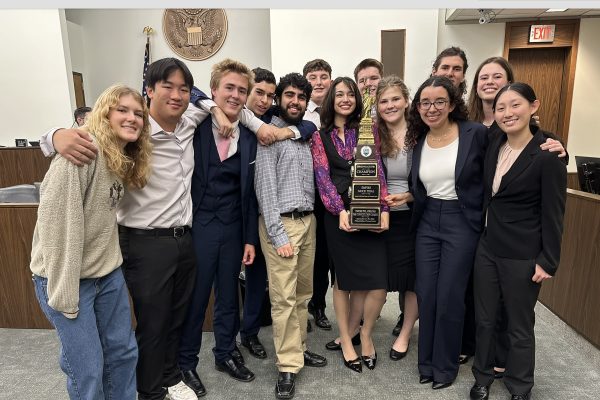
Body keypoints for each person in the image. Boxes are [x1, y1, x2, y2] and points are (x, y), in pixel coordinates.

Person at [30, 84, 152, 399]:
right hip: (66, 277)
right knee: (88, 370)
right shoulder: (81, 153)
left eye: (138, 113)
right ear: (104, 114)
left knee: (123, 355)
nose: (132, 118)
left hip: (106, 275)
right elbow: (56, 227)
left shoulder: (118, 156)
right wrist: (65, 294)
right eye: (122, 110)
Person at [469, 83, 567, 400]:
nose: (508, 113)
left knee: (519, 323)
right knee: (485, 319)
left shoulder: (547, 155)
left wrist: (548, 260)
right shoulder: (495, 141)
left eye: (516, 105)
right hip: (488, 247)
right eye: (501, 107)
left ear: (533, 106)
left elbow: (554, 212)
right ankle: (482, 376)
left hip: (523, 253)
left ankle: (521, 385)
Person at [177, 59, 260, 392]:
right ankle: (185, 362)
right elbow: (188, 91)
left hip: (234, 226)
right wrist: (212, 109)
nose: (236, 95)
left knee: (228, 297)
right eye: (229, 87)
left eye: (242, 90)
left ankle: (225, 352)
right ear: (214, 90)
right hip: (199, 225)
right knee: (196, 298)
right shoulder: (194, 123)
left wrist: (250, 239)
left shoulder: (250, 133)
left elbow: (251, 193)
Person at [407, 75, 488, 389]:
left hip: (461, 220)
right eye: (425, 102)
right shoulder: (419, 139)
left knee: (450, 295)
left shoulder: (474, 133)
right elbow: (426, 185)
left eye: (439, 101)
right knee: (426, 293)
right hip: (428, 222)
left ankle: (445, 367)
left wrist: (550, 142)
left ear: (453, 104)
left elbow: (510, 148)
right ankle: (426, 363)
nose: (432, 108)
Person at [255, 72, 327, 400]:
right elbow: (265, 188)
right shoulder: (269, 133)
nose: (295, 101)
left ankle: (298, 350)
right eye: (289, 95)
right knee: (282, 298)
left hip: (308, 222)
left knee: (302, 295)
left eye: (301, 97)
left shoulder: (303, 136)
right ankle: (286, 365)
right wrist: (277, 234)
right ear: (278, 98)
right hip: (281, 225)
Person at [311, 76, 389, 373]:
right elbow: (322, 177)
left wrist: (383, 208)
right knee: (342, 283)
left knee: (377, 285)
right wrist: (339, 210)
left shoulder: (368, 130)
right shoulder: (319, 136)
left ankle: (365, 334)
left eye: (350, 94)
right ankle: (346, 339)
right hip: (339, 216)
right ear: (331, 99)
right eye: (339, 94)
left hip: (370, 212)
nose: (345, 99)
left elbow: (378, 168)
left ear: (357, 99)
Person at [374, 76, 419, 361]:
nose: (390, 105)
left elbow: (433, 177)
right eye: (383, 101)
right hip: (380, 218)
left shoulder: (421, 133)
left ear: (405, 101)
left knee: (412, 279)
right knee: (377, 276)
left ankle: (405, 331)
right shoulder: (372, 134)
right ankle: (364, 325)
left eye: (395, 99)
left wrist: (410, 196)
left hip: (413, 217)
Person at [302, 59, 334, 332]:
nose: (319, 81)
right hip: (308, 193)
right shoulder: (301, 114)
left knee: (326, 254)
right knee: (310, 256)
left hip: (334, 193)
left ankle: (321, 304)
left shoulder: (338, 111)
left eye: (324, 76)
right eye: (313, 77)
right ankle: (310, 306)